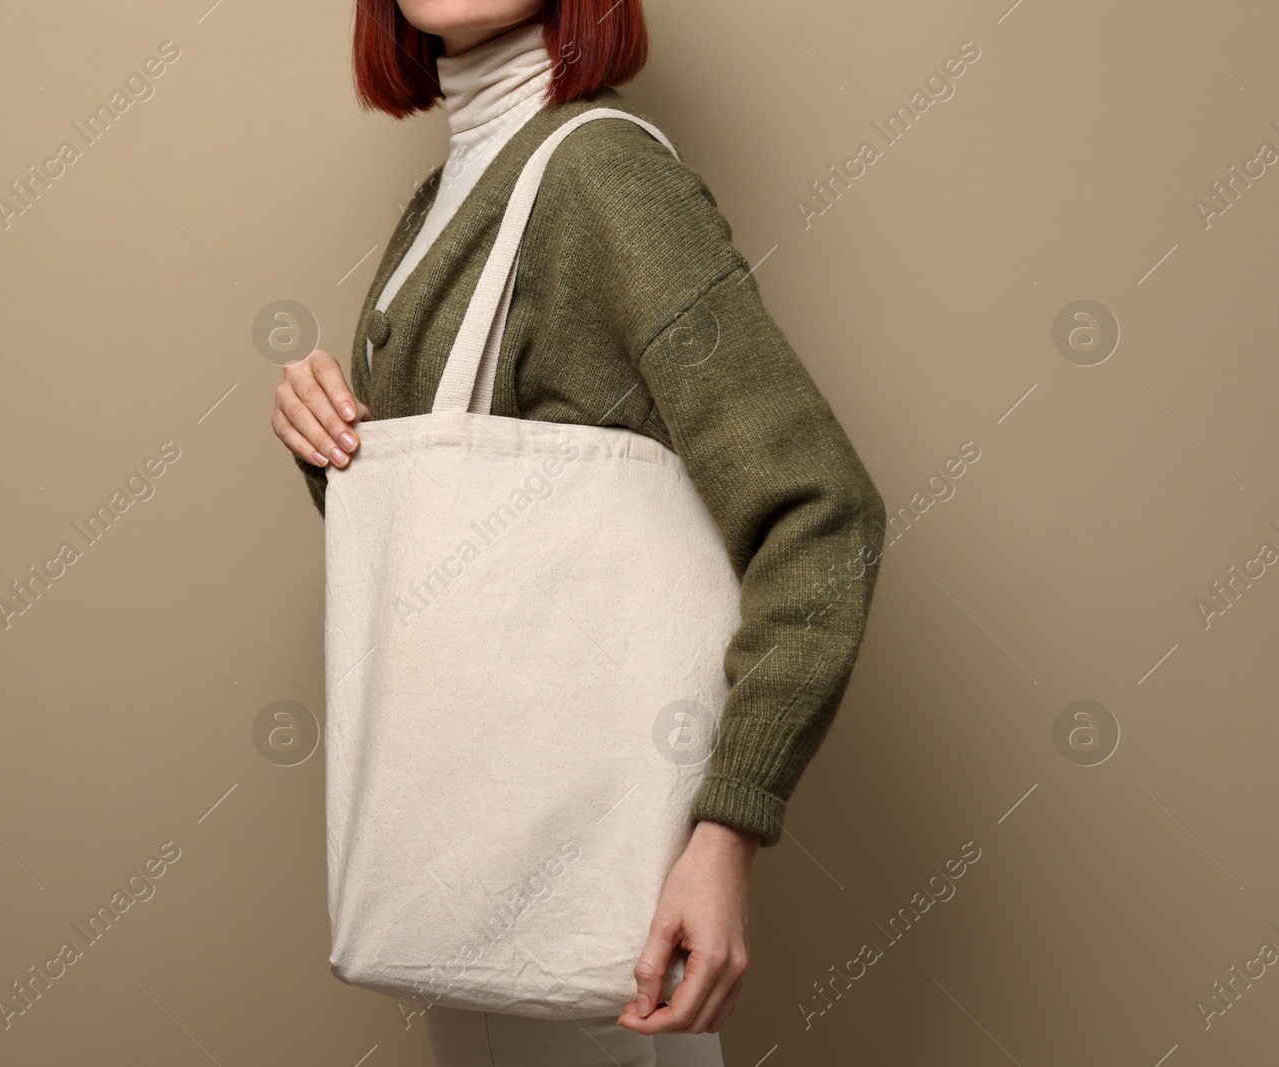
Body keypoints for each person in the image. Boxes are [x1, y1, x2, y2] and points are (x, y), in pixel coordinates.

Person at [272, 2, 887, 1063]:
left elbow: (823, 512)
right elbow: (469, 574)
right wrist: (333, 450)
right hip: (477, 887)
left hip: (600, 906)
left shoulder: (605, 179)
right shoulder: (442, 200)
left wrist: (728, 825)